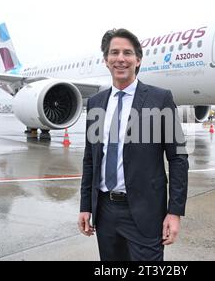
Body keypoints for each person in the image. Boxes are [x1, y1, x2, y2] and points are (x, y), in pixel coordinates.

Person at [78, 28, 189, 261]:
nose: (121, 58)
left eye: (127, 53)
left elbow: (178, 158)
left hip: (145, 212)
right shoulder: (96, 103)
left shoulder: (160, 99)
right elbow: (91, 159)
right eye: (114, 53)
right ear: (106, 61)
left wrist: (175, 212)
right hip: (105, 212)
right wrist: (85, 206)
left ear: (138, 60)